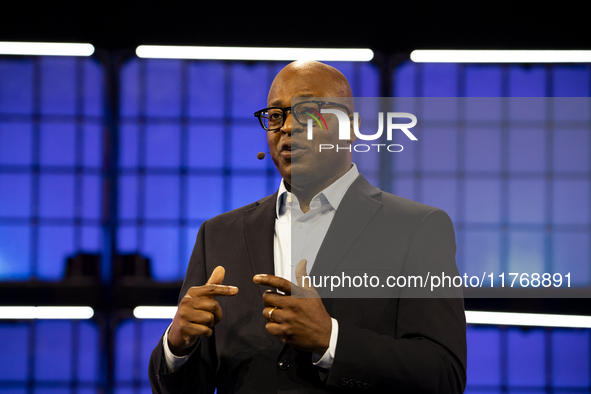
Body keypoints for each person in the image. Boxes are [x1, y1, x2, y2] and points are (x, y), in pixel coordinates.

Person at [149, 60, 467, 393]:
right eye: (275, 115)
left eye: (307, 111)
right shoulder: (217, 234)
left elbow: (444, 374)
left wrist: (331, 340)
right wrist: (177, 345)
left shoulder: (417, 228)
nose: (287, 127)